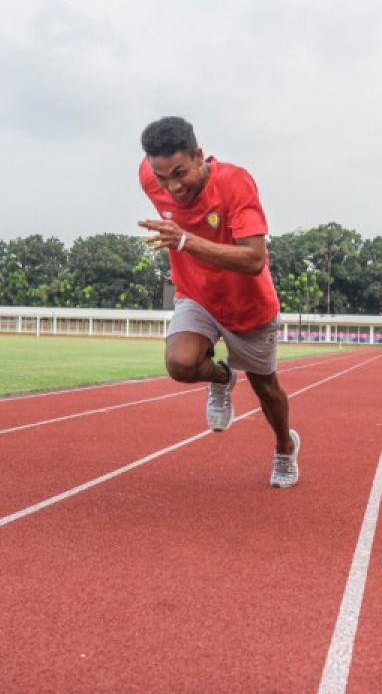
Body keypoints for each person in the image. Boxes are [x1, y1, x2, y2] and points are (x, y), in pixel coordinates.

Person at [137, 116, 300, 488]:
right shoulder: (150, 176)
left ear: (199, 156)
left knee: (267, 389)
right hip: (197, 295)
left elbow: (254, 258)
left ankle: (284, 448)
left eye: (180, 173)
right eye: (162, 178)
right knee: (180, 363)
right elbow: (161, 179)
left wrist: (184, 242)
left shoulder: (234, 183)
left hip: (249, 306)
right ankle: (223, 377)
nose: (172, 187)